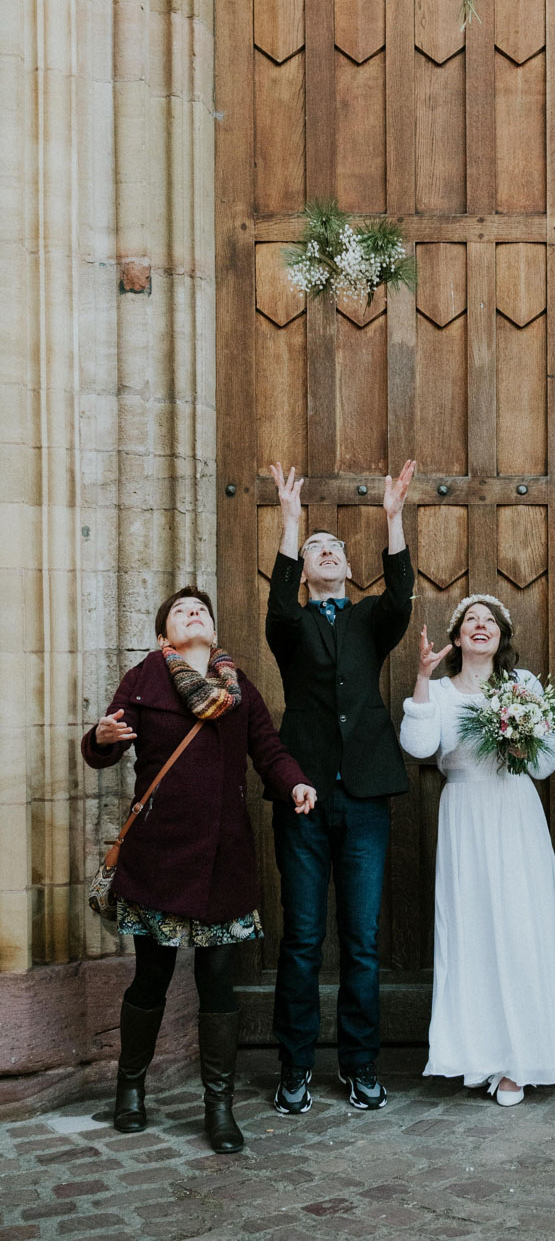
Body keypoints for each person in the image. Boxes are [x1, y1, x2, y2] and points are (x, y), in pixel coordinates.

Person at [81, 586, 316, 1153]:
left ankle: (219, 1107)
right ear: (165, 635)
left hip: (223, 856)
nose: (196, 614)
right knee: (152, 978)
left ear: (212, 632)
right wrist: (101, 736)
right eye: (183, 611)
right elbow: (103, 744)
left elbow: (269, 748)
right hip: (159, 854)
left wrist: (294, 783)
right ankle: (130, 1090)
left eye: (203, 610)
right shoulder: (143, 679)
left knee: (217, 984)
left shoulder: (238, 686)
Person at [266, 459, 416, 1116]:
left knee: (359, 937)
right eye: (315, 549)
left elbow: (402, 597)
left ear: (349, 567)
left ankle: (360, 1064)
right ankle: (294, 1064)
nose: (326, 553)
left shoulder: (369, 621)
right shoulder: (291, 626)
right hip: (302, 798)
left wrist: (393, 518)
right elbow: (277, 603)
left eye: (334, 548)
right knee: (301, 936)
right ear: (305, 565)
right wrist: (290, 524)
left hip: (364, 802)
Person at [398, 598, 555, 1104]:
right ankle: (477, 1054)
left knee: (520, 929)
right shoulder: (436, 689)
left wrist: (524, 746)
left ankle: (521, 1059)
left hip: (514, 813)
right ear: (457, 638)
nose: (481, 626)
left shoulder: (524, 689)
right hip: (464, 815)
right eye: (471, 620)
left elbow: (545, 766)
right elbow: (416, 747)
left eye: (490, 622)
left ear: (501, 637)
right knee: (471, 931)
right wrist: (419, 676)